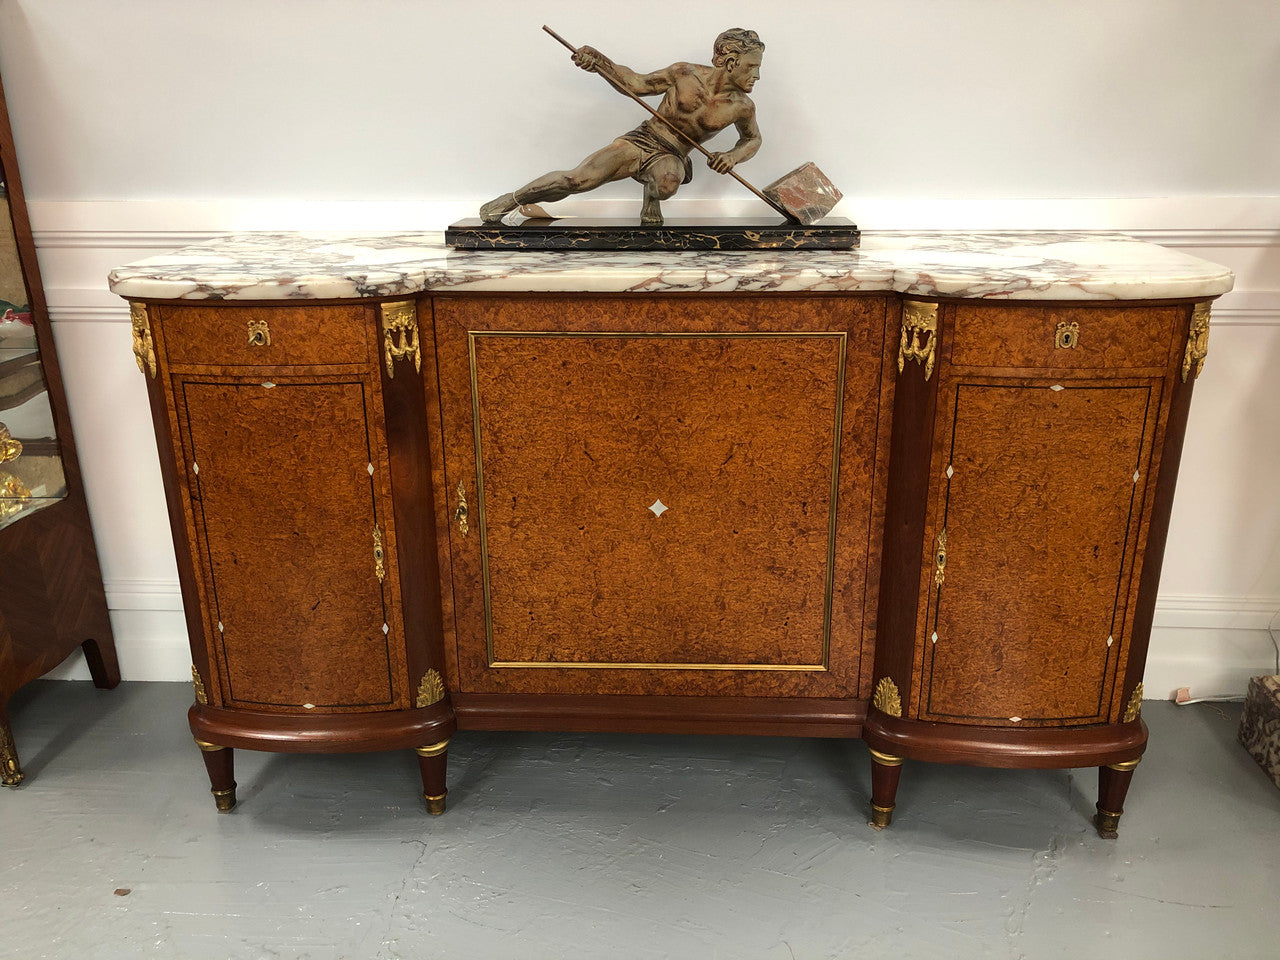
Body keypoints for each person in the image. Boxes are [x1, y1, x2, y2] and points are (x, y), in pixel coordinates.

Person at [480, 29, 765, 225]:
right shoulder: (685, 73)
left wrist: (732, 156)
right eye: (752, 66)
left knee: (667, 184)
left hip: (673, 154)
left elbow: (752, 140)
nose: (757, 75)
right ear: (731, 62)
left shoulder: (742, 106)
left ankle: (651, 195)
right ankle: (510, 200)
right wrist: (599, 62)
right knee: (578, 180)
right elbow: (636, 84)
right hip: (644, 139)